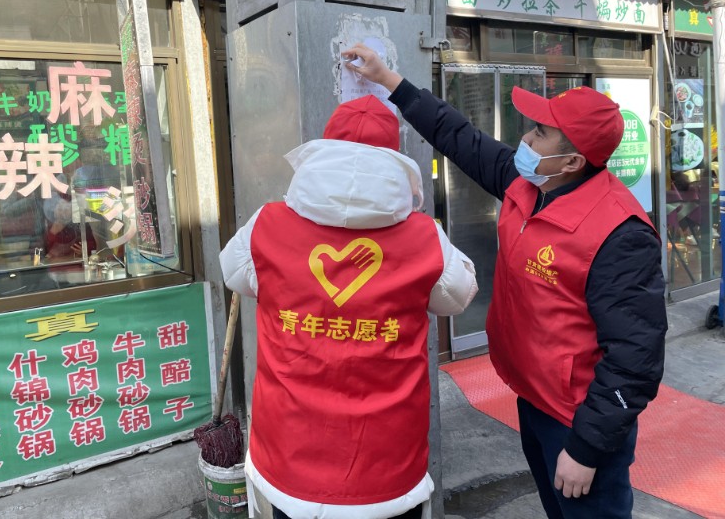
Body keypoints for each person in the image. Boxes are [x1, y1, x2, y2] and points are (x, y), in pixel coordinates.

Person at [343, 43, 667, 519]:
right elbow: (459, 136)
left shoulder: (620, 235)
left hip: (578, 419)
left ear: (573, 162)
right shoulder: (528, 184)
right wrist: (388, 79)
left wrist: (587, 449)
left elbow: (635, 359)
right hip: (533, 397)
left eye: (540, 133)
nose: (526, 139)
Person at [219, 95, 478, 519]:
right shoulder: (425, 238)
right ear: (394, 159)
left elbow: (233, 274)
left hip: (289, 457)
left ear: (324, 149)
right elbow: (459, 296)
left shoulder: (266, 225)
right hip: (387, 464)